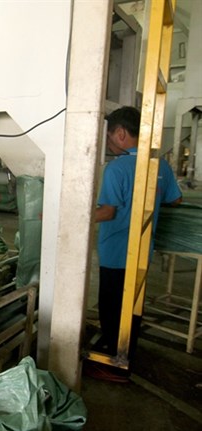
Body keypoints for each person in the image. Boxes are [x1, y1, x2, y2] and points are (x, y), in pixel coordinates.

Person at [91, 106, 182, 380]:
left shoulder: (116, 168)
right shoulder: (160, 166)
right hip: (142, 252)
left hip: (115, 252)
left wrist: (68, 215)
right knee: (132, 308)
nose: (108, 142)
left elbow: (108, 211)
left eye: (108, 136)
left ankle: (114, 365)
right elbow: (175, 199)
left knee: (110, 308)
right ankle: (126, 354)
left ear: (120, 133)